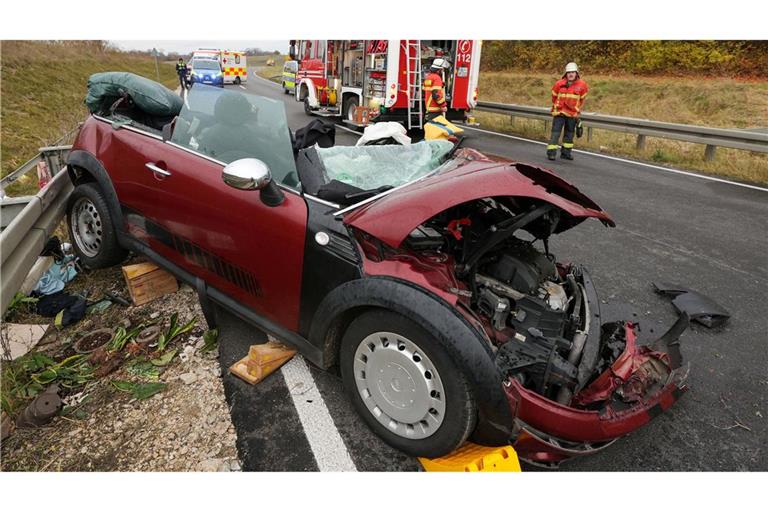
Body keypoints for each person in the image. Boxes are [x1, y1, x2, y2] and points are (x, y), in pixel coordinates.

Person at [547, 62, 589, 160]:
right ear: (566, 73)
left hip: (572, 114)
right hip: (559, 112)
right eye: (569, 72)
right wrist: (558, 106)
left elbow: (582, 99)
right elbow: (554, 97)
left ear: (576, 73)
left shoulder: (582, 85)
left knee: (569, 135)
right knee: (555, 134)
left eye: (572, 72)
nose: (570, 74)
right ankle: (551, 153)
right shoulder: (559, 84)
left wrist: (575, 109)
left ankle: (566, 153)